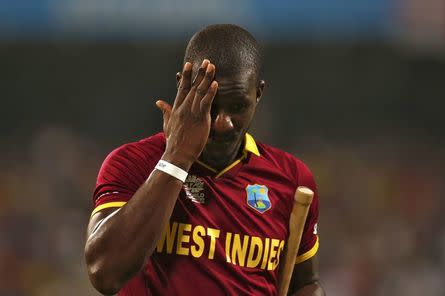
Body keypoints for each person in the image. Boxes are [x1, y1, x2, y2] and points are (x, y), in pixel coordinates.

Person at [85, 24, 325, 296]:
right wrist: (177, 157)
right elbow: (105, 273)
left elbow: (306, 284)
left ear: (258, 93)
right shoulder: (134, 162)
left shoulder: (292, 178)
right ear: (182, 87)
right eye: (211, 105)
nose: (223, 124)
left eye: (238, 107)